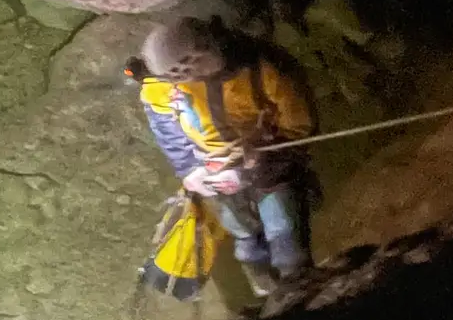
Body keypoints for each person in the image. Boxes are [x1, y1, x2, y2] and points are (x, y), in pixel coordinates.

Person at [126, 17, 318, 297]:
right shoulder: (166, 83)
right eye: (177, 76)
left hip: (268, 161)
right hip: (214, 169)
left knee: (283, 231)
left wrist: (261, 161)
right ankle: (265, 288)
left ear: (205, 49)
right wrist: (191, 169)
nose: (187, 77)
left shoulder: (263, 70)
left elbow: (299, 126)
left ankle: (298, 289)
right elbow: (164, 120)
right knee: (244, 237)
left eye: (191, 68)